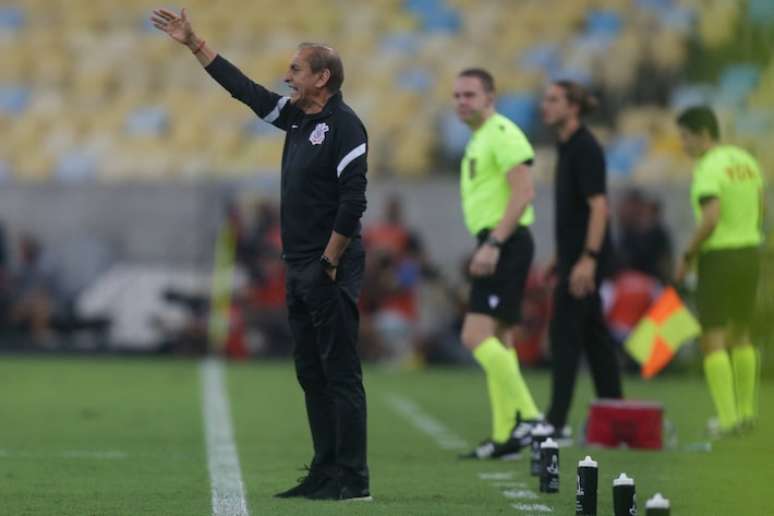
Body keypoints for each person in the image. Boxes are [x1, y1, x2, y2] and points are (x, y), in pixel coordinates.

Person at [151, 8, 372, 501]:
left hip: (327, 264)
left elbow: (354, 202)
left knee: (340, 373)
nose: (285, 76)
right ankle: (324, 470)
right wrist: (194, 44)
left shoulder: (346, 127)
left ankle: (353, 479)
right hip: (297, 264)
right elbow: (245, 91)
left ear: (323, 77)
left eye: (295, 69)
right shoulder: (297, 117)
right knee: (310, 372)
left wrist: (330, 262)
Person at [452, 68, 542, 459]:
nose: (461, 102)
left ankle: (532, 418)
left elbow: (524, 192)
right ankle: (506, 435)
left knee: (474, 336)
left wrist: (493, 244)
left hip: (504, 241)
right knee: (501, 339)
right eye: (456, 96)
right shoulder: (478, 140)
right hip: (498, 240)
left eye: (470, 94)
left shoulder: (503, 133)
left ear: (491, 97)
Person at [540, 80, 623, 441]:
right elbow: (574, 212)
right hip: (574, 258)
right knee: (595, 339)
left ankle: (556, 422)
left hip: (585, 261)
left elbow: (599, 207)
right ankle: (616, 417)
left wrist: (587, 259)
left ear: (573, 107)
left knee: (565, 336)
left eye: (553, 100)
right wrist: (561, 256)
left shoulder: (585, 148)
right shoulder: (568, 146)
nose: (546, 106)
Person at [675, 106, 765, 436]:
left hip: (719, 258)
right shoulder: (746, 161)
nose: (682, 145)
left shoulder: (708, 168)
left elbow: (710, 218)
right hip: (749, 253)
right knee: (742, 334)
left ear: (702, 135)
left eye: (685, 137)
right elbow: (762, 206)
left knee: (713, 338)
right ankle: (746, 412)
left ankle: (726, 420)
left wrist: (687, 254)